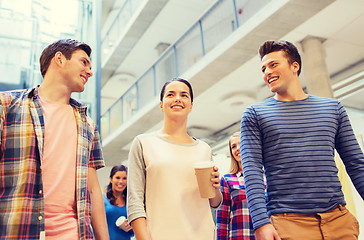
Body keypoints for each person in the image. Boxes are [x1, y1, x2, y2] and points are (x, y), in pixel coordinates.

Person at [240, 40, 364, 240]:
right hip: (288, 224)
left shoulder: (333, 109)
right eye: (263, 68)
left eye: (273, 65)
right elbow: (252, 171)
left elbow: (356, 163)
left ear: (294, 66)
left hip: (339, 221)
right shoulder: (255, 114)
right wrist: (261, 222)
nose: (267, 72)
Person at [0, 39, 108, 239]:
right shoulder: (6, 106)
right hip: (19, 231)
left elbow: (93, 191)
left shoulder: (88, 125)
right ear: (59, 58)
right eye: (84, 62)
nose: (90, 71)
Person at [127, 78, 222, 240]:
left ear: (191, 105)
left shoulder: (204, 149)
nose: (177, 98)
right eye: (171, 94)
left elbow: (214, 203)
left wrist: (215, 187)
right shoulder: (143, 143)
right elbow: (135, 204)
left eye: (184, 95)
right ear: (161, 104)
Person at [216, 132, 255, 239]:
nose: (237, 148)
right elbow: (222, 220)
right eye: (233, 146)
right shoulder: (227, 180)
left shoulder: (265, 178)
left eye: (241, 143)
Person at [104, 165, 134, 240]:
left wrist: (130, 227)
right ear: (111, 179)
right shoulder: (102, 199)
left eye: (124, 178)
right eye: (117, 178)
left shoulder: (130, 202)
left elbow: (133, 233)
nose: (121, 181)